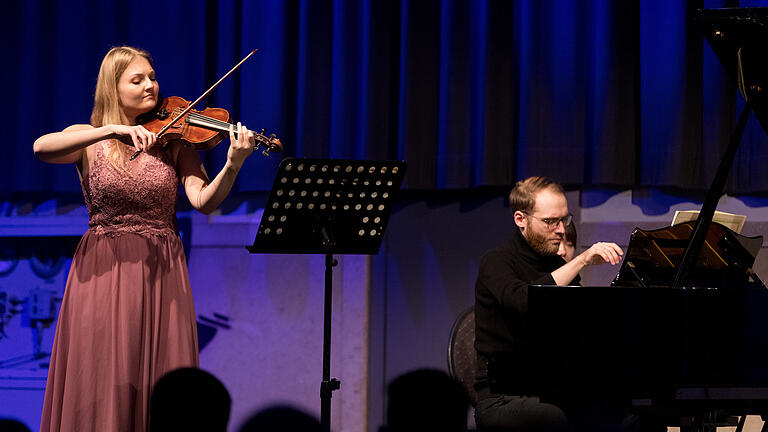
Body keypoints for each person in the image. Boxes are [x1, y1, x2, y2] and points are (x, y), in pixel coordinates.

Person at [34, 46, 267, 431]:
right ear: (113, 86)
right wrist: (112, 129)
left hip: (162, 269)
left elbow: (203, 202)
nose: (151, 86)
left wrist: (233, 163)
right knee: (101, 372)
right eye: (137, 79)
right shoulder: (86, 137)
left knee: (160, 375)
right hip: (102, 269)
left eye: (152, 77)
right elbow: (41, 148)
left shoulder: (175, 140)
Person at [474, 176, 654, 432]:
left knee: (635, 416)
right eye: (550, 221)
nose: (561, 229)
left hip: (553, 389)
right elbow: (525, 301)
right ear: (520, 219)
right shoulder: (496, 262)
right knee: (553, 418)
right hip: (502, 397)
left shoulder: (558, 267)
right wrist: (580, 261)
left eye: (564, 219)